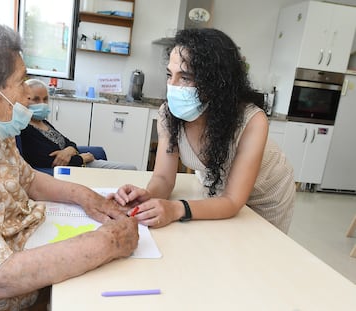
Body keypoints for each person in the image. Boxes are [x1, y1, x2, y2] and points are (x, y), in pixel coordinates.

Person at [0, 18, 138, 310]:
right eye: (21, 82)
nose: (27, 97)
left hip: (32, 259)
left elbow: (29, 179)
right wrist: (107, 243)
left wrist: (87, 197)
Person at [110, 28, 295, 234]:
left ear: (216, 82)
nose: (173, 86)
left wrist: (176, 208)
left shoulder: (252, 121)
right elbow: (163, 178)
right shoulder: (168, 116)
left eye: (185, 77)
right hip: (222, 189)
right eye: (170, 75)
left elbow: (233, 201)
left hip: (266, 193)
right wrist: (147, 196)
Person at [20, 79, 137, 170]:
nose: (42, 104)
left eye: (45, 99)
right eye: (35, 99)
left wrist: (68, 150)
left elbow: (70, 143)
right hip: (75, 168)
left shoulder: (43, 122)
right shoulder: (25, 128)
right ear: (23, 99)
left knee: (130, 169)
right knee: (131, 169)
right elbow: (47, 160)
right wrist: (80, 159)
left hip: (79, 162)